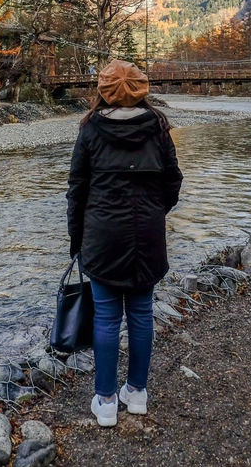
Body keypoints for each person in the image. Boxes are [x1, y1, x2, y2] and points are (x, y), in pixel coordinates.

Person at [66, 59, 183, 427]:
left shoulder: (89, 129)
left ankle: (104, 401)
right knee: (141, 312)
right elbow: (173, 183)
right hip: (147, 234)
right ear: (142, 89)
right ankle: (137, 393)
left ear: (103, 91)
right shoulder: (159, 126)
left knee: (105, 315)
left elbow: (77, 191)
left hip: (102, 236)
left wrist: (77, 239)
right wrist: (152, 212)